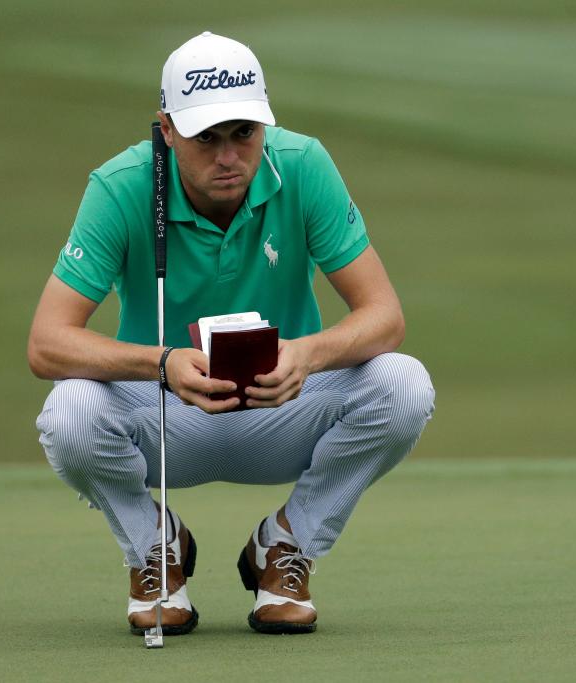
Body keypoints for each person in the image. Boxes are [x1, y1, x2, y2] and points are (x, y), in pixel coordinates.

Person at [28, 31, 435, 637]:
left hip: (285, 403)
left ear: (264, 125)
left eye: (243, 133)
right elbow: (47, 342)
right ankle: (153, 549)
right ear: (165, 129)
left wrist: (308, 352)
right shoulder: (121, 186)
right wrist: (163, 364)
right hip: (163, 415)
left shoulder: (302, 165)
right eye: (206, 138)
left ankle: (286, 548)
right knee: (69, 412)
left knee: (404, 385)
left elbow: (385, 315)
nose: (228, 156)